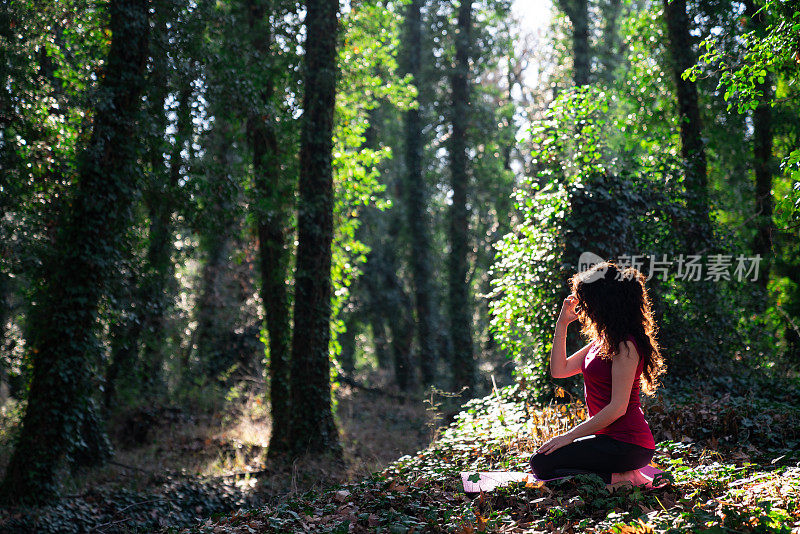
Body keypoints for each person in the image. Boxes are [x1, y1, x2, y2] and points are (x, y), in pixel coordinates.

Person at [529, 261, 666, 486]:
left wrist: (569, 436)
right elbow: (559, 370)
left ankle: (625, 478)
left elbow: (617, 408)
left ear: (602, 303)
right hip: (608, 440)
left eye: (586, 301)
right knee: (542, 462)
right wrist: (562, 323)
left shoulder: (625, 346)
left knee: (542, 465)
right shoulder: (601, 343)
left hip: (629, 444)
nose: (583, 308)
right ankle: (622, 476)